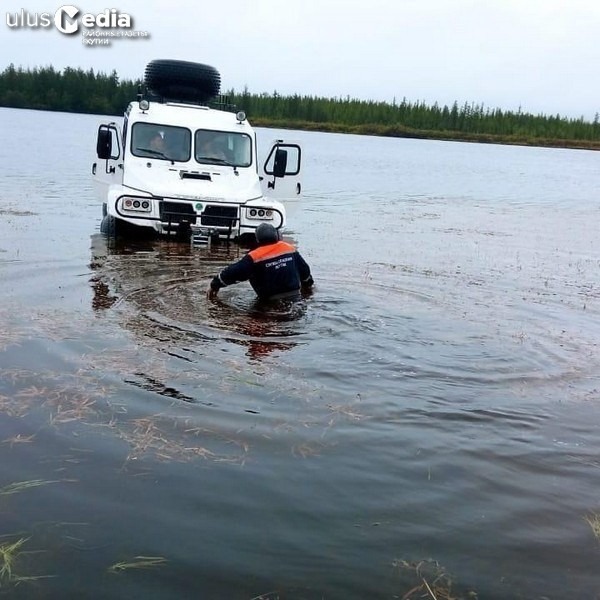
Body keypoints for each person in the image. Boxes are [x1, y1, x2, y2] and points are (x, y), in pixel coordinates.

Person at [207, 223, 314, 302]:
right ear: (276, 235)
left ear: (258, 240)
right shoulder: (289, 249)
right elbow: (305, 271)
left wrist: (214, 285)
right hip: (295, 298)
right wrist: (308, 286)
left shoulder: (254, 257)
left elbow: (233, 272)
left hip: (270, 302)